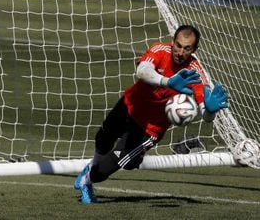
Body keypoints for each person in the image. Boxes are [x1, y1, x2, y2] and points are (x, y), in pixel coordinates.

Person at [74, 25, 229, 203]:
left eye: (187, 48)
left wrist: (210, 111)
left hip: (150, 129)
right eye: (178, 45)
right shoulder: (159, 50)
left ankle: (88, 180)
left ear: (194, 50)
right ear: (172, 42)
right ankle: (101, 165)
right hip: (129, 104)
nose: (180, 52)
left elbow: (206, 115)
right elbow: (142, 71)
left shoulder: (195, 72)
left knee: (104, 171)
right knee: (102, 139)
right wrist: (168, 82)